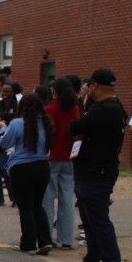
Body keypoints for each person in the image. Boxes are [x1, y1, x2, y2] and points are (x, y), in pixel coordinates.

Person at [65, 68, 127, 262]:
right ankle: (92, 261)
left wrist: (83, 109)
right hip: (90, 169)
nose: (86, 89)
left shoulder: (105, 109)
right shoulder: (109, 108)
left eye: (88, 86)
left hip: (98, 171)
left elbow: (75, 126)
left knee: (99, 220)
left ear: (95, 86)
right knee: (89, 219)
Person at [0, 94, 54, 254]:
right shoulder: (46, 123)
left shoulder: (17, 123)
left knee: (25, 207)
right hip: (43, 166)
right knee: (37, 205)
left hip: (22, 167)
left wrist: (2, 129)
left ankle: (28, 243)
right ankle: (45, 240)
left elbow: (4, 144)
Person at [42, 77, 81, 249]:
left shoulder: (50, 109)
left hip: (51, 156)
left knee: (47, 198)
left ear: (55, 91)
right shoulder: (75, 109)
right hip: (69, 155)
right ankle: (67, 238)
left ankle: (46, 236)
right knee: (67, 198)